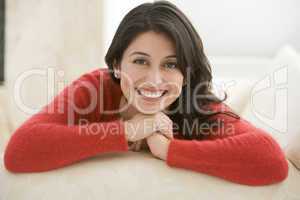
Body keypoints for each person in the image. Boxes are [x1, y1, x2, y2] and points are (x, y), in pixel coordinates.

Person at [4, 1, 288, 186]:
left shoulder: (197, 104)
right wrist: (129, 129)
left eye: (171, 64)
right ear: (117, 64)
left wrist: (169, 150)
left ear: (187, 72)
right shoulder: (95, 87)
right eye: (140, 61)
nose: (154, 80)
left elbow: (271, 160)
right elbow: (20, 150)